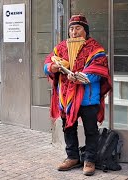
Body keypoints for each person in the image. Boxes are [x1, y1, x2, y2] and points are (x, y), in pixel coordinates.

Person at [44, 14, 111, 176]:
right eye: (71, 29)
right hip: (67, 97)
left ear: (85, 30)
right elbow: (47, 64)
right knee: (68, 128)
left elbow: (100, 70)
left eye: (78, 28)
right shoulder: (60, 47)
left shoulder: (95, 48)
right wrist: (52, 67)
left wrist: (82, 78)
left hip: (88, 97)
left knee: (91, 130)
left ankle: (90, 160)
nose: (74, 32)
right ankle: (72, 157)